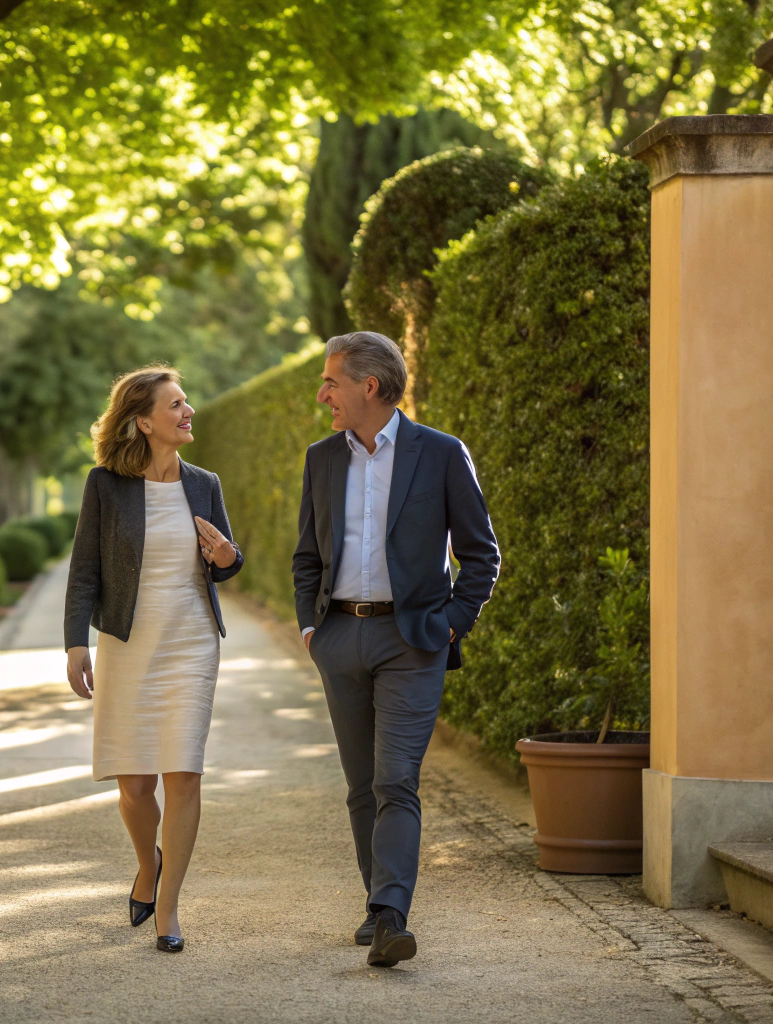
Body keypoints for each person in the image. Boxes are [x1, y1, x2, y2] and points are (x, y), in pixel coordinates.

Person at [293, 331, 500, 968]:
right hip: (340, 637)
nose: (323, 393)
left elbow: (480, 554)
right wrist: (311, 628)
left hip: (413, 641)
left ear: (369, 386)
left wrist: (451, 624)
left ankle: (391, 915)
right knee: (361, 785)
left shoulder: (439, 453)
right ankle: (375, 902)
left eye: (331, 382)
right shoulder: (322, 458)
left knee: (395, 779)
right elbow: (307, 556)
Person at [64, 365, 243, 953]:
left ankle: (168, 908)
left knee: (184, 773)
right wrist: (75, 644)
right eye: (176, 404)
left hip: (190, 639)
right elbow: (84, 571)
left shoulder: (205, 483)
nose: (189, 411)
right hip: (125, 643)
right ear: (143, 421)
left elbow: (226, 560)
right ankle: (149, 865)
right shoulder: (105, 486)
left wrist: (227, 556)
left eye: (187, 402)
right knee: (136, 786)